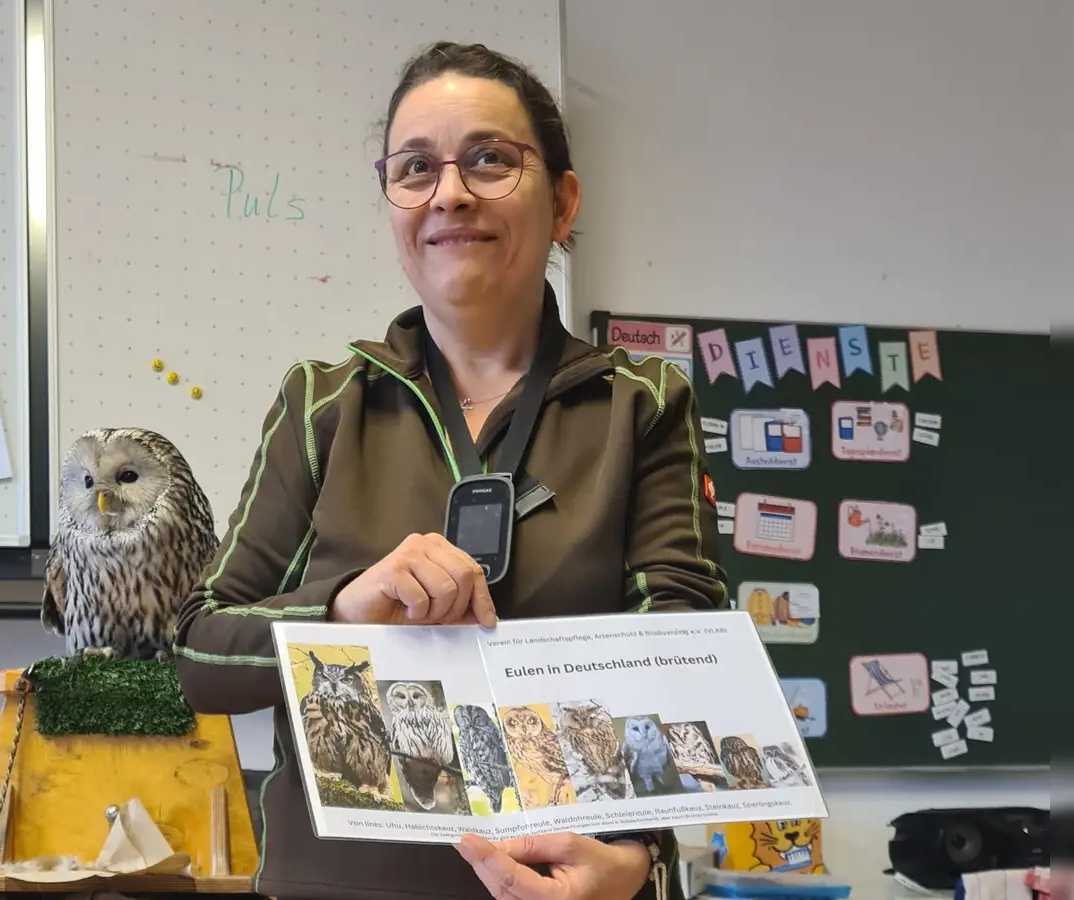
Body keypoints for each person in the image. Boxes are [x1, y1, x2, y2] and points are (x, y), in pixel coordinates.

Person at [175, 41, 728, 900]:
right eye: (415, 168)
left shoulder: (640, 405)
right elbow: (199, 656)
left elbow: (682, 652)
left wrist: (636, 860)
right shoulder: (324, 404)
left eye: (489, 160)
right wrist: (341, 611)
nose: (450, 192)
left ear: (564, 202)